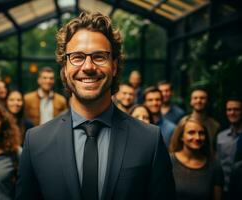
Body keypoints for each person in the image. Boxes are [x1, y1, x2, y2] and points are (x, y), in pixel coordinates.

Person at [16, 12, 175, 200]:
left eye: (99, 56)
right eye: (77, 57)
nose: (89, 67)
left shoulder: (150, 141)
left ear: (114, 66)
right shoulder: (36, 142)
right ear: (65, 68)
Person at [169, 117, 224, 200]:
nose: (197, 137)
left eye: (201, 133)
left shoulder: (214, 165)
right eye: (191, 132)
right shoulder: (169, 161)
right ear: (181, 136)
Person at [216, 96, 242, 197]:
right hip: (224, 189)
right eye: (229, 110)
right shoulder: (221, 136)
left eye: (236, 110)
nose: (232, 113)